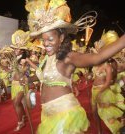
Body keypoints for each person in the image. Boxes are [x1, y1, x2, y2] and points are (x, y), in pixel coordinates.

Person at [24, 0, 125, 133]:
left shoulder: (68, 57)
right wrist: (29, 79)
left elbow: (97, 58)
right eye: (44, 40)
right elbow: (44, 79)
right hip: (47, 114)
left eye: (50, 39)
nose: (46, 43)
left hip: (65, 114)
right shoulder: (47, 58)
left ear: (61, 38)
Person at [10, 30, 30, 131]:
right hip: (14, 84)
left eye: (17, 49)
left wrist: (23, 70)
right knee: (17, 104)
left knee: (16, 103)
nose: (15, 50)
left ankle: (20, 123)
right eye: (14, 48)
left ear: (22, 50)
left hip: (21, 84)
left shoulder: (24, 60)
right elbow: (12, 71)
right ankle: (23, 116)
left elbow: (26, 71)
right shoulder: (14, 59)